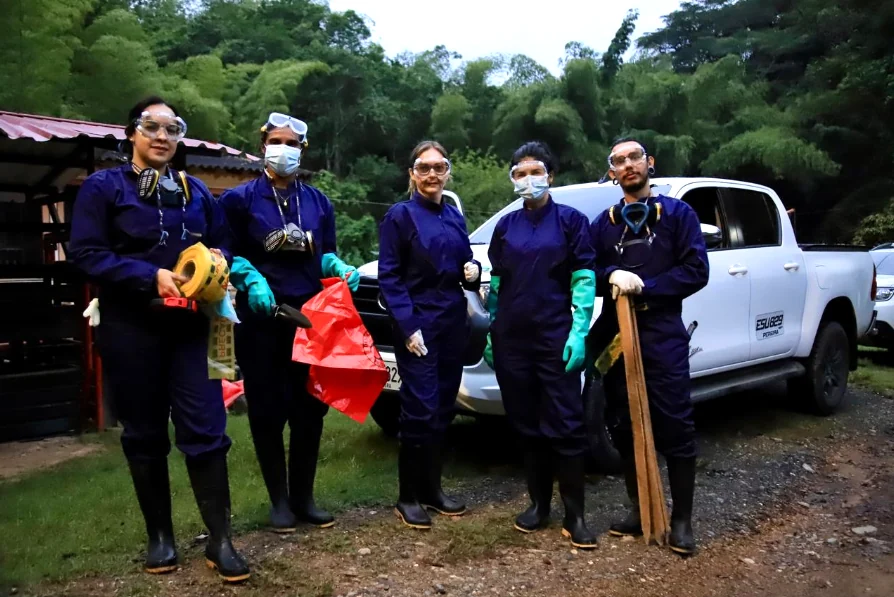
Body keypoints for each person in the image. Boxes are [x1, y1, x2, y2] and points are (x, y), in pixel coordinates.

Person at [68, 97, 250, 582]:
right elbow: (85, 253)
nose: (163, 136)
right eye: (152, 127)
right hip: (132, 328)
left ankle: (221, 540)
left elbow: (224, 239)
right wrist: (150, 276)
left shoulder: (196, 193)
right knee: (145, 434)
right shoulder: (104, 188)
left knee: (207, 432)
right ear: (132, 133)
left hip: (192, 330)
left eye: (173, 129)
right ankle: (161, 539)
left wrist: (219, 261)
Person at [218, 112, 360, 533]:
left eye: (293, 143)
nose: (285, 149)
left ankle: (304, 497)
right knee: (266, 409)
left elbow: (325, 254)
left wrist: (337, 265)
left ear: (303, 149)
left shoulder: (318, 202)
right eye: (277, 141)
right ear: (263, 146)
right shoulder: (239, 200)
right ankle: (278, 501)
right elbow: (224, 251)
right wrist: (249, 276)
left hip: (310, 317)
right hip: (262, 318)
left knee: (309, 409)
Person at [588, 138, 709, 555]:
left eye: (634, 157)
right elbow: (587, 265)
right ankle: (640, 508)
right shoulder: (603, 224)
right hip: (617, 336)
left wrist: (648, 286)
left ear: (649, 163)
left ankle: (681, 521)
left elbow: (697, 270)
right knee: (622, 423)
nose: (627, 165)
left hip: (662, 331)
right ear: (612, 172)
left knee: (675, 423)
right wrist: (612, 274)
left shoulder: (679, 215)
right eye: (618, 161)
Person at [483, 141, 598, 549]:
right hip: (512, 340)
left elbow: (584, 278)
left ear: (550, 175)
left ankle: (576, 515)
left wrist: (579, 331)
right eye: (519, 172)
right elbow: (497, 282)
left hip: (556, 337)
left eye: (535, 171)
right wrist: (492, 329)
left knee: (566, 424)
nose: (527, 179)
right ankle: (538, 506)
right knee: (527, 424)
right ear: (512, 179)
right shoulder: (506, 227)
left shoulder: (571, 222)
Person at [377, 140, 481, 530]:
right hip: (417, 321)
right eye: (424, 168)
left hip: (452, 320)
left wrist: (471, 269)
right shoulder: (400, 216)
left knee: (441, 409)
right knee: (418, 409)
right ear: (412, 174)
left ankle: (433, 490)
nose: (432, 175)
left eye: (439, 167)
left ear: (447, 172)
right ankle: (407, 497)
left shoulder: (453, 215)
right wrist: (407, 326)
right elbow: (389, 274)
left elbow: (464, 259)